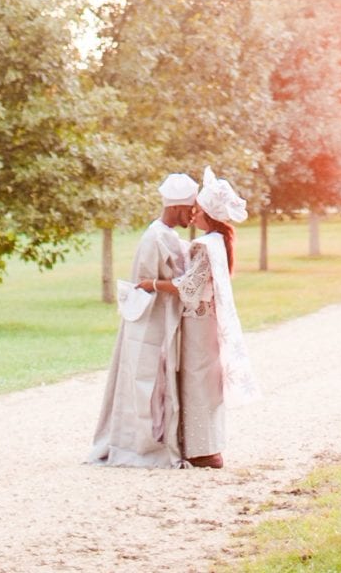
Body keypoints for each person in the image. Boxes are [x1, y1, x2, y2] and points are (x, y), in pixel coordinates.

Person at [136, 166, 260, 468]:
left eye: (199, 210)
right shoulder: (217, 242)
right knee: (205, 380)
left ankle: (205, 449)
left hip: (198, 322)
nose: (193, 214)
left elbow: (188, 288)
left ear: (208, 215)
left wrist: (151, 284)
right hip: (207, 320)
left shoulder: (205, 245)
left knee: (198, 381)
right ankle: (203, 444)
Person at [87, 171, 198, 468]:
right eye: (191, 209)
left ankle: (162, 440)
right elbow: (150, 282)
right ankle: (142, 445)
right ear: (177, 207)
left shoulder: (170, 236)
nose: (194, 215)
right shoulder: (155, 237)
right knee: (145, 381)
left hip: (164, 318)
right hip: (150, 321)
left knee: (157, 381)